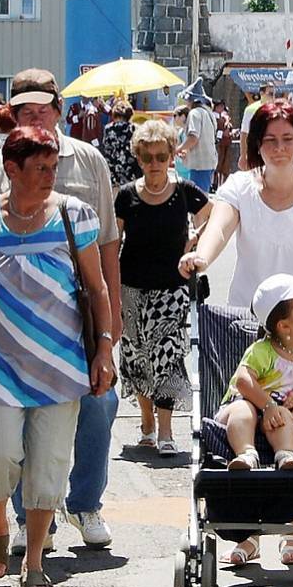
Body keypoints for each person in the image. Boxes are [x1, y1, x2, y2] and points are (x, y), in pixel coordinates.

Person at [178, 99, 293, 564]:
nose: (278, 147)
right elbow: (219, 229)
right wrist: (201, 258)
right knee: (248, 420)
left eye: (287, 139)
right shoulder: (239, 187)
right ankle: (247, 530)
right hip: (249, 325)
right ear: (256, 144)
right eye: (269, 139)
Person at [0, 68, 121, 553]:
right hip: (6, 344)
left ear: (59, 109)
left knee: (101, 407)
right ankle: (30, 520)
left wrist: (109, 337)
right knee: (11, 443)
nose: (35, 115)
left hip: (75, 333)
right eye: (24, 109)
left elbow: (108, 249)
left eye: (43, 107)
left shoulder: (90, 160)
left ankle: (85, 504)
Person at [116, 120, 210, 455]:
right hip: (131, 286)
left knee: (167, 356)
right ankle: (147, 424)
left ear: (172, 155)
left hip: (172, 288)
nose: (154, 163)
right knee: (136, 356)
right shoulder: (127, 196)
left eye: (160, 156)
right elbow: (113, 242)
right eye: (147, 157)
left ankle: (167, 430)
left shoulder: (185, 191)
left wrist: (197, 238)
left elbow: (213, 217)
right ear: (138, 158)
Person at [213, 273, 293, 473]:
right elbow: (243, 381)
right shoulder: (262, 351)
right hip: (244, 406)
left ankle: (285, 455)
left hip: (278, 415)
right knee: (244, 410)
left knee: (283, 415)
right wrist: (268, 406)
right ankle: (246, 453)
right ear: (284, 326)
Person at [174, 77, 218, 192]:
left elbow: (193, 138)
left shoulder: (194, 113)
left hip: (200, 164)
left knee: (198, 200)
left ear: (191, 100)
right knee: (203, 196)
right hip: (209, 162)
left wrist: (178, 149)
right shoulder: (209, 113)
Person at [102, 99, 142, 189]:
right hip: (133, 171)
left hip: (115, 172)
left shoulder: (108, 129)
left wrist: (111, 174)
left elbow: (107, 152)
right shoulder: (135, 128)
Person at [238, 81, 276, 171]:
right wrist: (243, 156)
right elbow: (244, 134)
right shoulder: (251, 110)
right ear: (261, 93)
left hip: (272, 151)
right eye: (270, 94)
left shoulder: (277, 109)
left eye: (274, 94)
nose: (273, 97)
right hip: (255, 152)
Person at [212, 100, 233, 189]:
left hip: (226, 143)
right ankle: (214, 184)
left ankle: (224, 184)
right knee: (217, 165)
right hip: (217, 144)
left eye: (222, 106)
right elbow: (215, 130)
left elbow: (229, 128)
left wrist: (230, 132)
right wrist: (222, 133)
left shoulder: (225, 117)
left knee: (225, 165)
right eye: (219, 106)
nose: (221, 108)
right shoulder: (213, 117)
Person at [173, 105, 192, 180]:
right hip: (179, 167)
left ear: (183, 116)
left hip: (187, 168)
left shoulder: (189, 131)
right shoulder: (181, 131)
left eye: (175, 115)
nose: (174, 118)